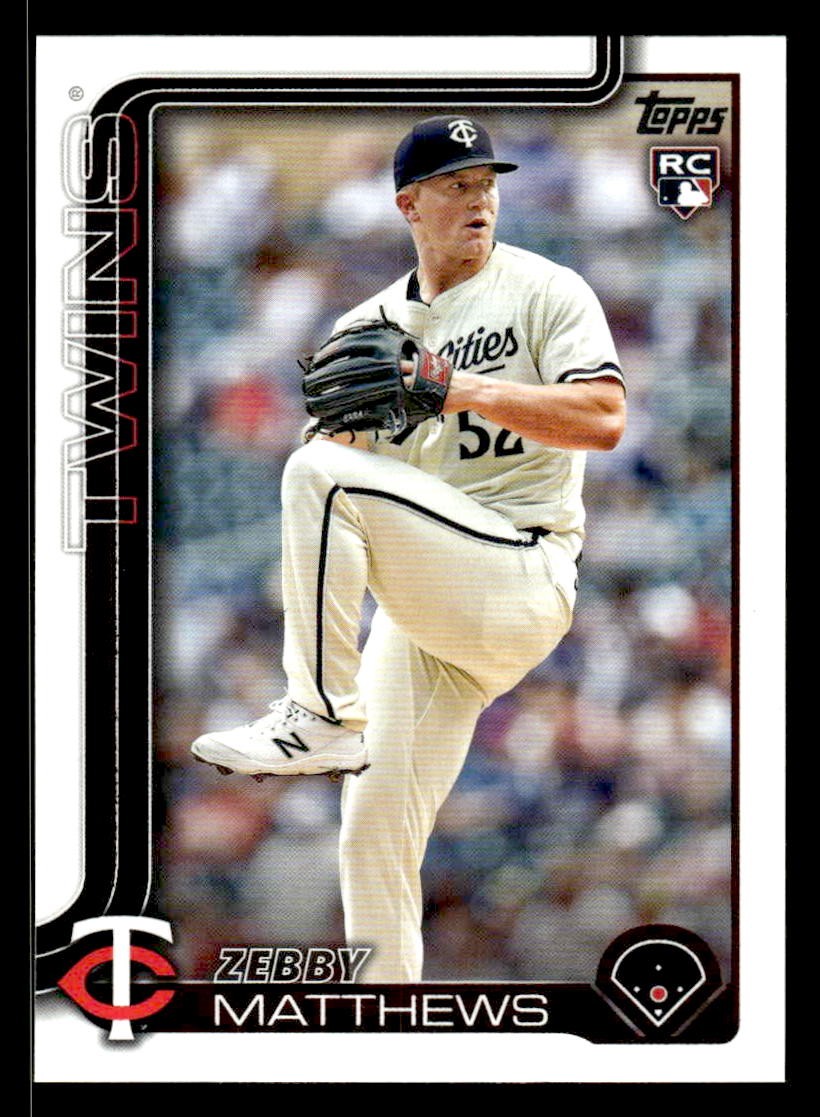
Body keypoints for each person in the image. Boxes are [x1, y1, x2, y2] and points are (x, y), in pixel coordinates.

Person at [191, 115, 626, 983]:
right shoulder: (369, 322)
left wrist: (461, 388)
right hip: (430, 610)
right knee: (372, 832)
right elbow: (337, 462)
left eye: (486, 183)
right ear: (408, 204)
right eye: (456, 185)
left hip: (522, 566)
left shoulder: (548, 289)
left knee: (319, 475)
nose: (479, 200)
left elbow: (605, 418)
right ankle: (389, 1023)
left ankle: (319, 713)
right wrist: (340, 432)